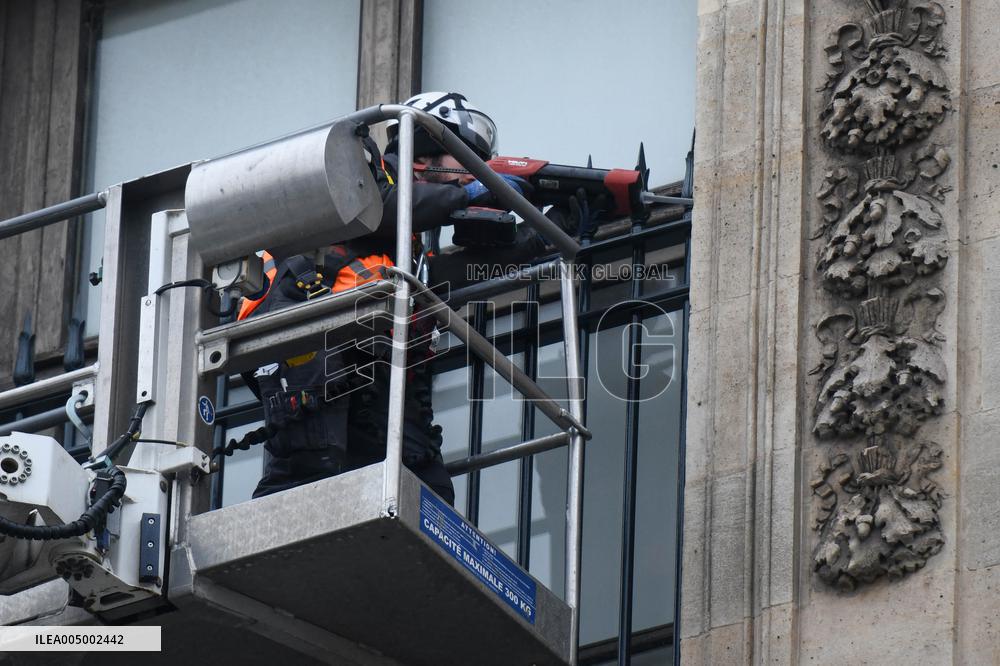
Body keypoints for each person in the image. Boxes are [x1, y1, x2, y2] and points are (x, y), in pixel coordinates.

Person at [243, 92, 550, 505]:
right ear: (422, 156)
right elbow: (379, 208)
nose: (470, 179)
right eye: (465, 165)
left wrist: (542, 237)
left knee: (429, 493)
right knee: (309, 474)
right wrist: (467, 196)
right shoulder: (362, 178)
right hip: (303, 343)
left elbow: (445, 277)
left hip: (370, 366)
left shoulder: (408, 247)